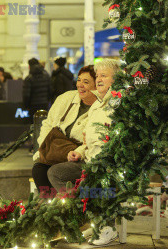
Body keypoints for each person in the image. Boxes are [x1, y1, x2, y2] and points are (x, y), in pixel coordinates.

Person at [48, 58, 121, 246]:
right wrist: (79, 152)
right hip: (89, 160)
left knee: (99, 180)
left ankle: (108, 228)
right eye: (98, 76)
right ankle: (87, 216)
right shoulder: (98, 103)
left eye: (104, 76)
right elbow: (87, 138)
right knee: (56, 172)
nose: (99, 80)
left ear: (116, 78)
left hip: (109, 163)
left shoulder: (119, 103)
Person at [32, 65, 97, 194]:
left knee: (56, 172)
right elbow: (47, 124)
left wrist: (77, 152)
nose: (80, 85)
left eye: (86, 82)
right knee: (39, 169)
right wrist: (45, 146)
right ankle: (50, 207)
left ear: (96, 86)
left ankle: (68, 206)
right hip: (55, 153)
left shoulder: (99, 107)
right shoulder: (65, 98)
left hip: (80, 157)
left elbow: (94, 138)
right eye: (79, 80)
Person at [23, 58, 52, 123]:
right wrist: (47, 101)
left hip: (33, 106)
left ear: (29, 66)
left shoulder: (28, 78)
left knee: (33, 125)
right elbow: (50, 91)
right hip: (44, 104)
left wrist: (26, 105)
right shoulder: (46, 76)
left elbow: (26, 94)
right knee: (44, 124)